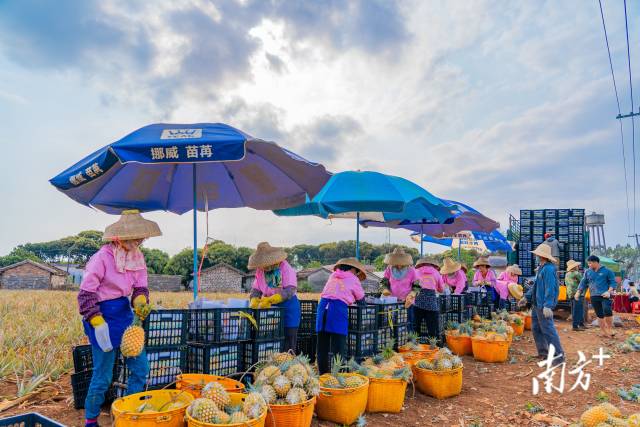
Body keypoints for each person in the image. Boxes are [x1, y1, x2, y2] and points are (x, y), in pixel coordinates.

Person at [78, 210, 161, 427]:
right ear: (120, 236)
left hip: (124, 315)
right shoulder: (102, 258)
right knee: (103, 375)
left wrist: (140, 302)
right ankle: (91, 419)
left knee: (141, 368)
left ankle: (128, 414)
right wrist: (96, 321)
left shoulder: (138, 257)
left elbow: (140, 287)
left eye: (142, 236)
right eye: (135, 236)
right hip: (100, 316)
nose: (140, 240)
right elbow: (86, 293)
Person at [315, 258, 366, 374]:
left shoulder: (333, 275)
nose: (356, 273)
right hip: (337, 310)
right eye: (356, 271)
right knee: (338, 347)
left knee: (322, 346)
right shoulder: (354, 279)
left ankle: (322, 375)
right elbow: (361, 300)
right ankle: (338, 376)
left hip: (322, 307)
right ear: (353, 269)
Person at [248, 242, 301, 352]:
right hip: (270, 309)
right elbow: (256, 289)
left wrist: (275, 298)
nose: (266, 267)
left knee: (288, 338)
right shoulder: (260, 271)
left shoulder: (285, 267)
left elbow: (291, 289)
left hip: (288, 307)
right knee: (273, 339)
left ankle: (290, 365)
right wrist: (253, 298)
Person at [519, 243, 564, 364]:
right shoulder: (542, 268)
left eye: (537, 255)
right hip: (536, 304)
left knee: (548, 330)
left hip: (543, 304)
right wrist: (526, 297)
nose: (536, 256)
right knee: (536, 328)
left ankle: (558, 357)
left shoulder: (549, 269)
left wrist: (548, 305)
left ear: (542, 256)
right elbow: (535, 287)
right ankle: (543, 353)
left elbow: (551, 288)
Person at [576, 255, 617, 338]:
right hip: (594, 295)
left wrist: (609, 291)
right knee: (599, 314)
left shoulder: (607, 271)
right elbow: (583, 282)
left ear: (596, 262)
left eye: (590, 263)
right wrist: (578, 292)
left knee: (607, 310)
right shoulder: (588, 272)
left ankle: (609, 329)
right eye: (588, 263)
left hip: (605, 295)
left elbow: (613, 282)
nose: (589, 265)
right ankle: (603, 331)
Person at [411, 257, 445, 340]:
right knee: (432, 327)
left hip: (417, 302)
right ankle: (434, 346)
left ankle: (415, 345)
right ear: (434, 265)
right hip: (431, 304)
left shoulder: (416, 272)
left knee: (416, 326)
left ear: (420, 264)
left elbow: (412, 286)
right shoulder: (437, 273)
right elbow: (441, 289)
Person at [565, 260, 585, 331]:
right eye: (577, 265)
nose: (578, 266)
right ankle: (575, 326)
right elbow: (583, 282)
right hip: (577, 294)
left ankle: (581, 324)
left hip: (570, 294)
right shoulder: (576, 273)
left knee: (575, 309)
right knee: (578, 310)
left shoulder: (567, 274)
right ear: (574, 266)